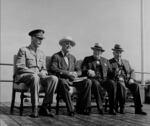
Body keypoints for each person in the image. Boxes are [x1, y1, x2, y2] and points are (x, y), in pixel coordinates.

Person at [15, 29, 58, 118]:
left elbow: (44, 69)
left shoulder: (42, 53)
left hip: (38, 76)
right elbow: (20, 66)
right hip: (25, 76)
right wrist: (37, 73)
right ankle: (35, 108)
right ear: (32, 38)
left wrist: (43, 72)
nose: (40, 41)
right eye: (38, 38)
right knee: (35, 77)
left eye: (41, 39)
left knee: (54, 78)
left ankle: (44, 107)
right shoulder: (23, 50)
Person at [50, 36, 91, 116]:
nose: (69, 45)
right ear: (61, 45)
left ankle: (82, 108)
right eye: (66, 43)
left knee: (88, 82)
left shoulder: (72, 57)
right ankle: (71, 109)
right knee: (63, 82)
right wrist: (68, 73)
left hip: (73, 80)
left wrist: (76, 73)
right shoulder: (56, 56)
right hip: (62, 81)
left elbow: (79, 70)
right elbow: (53, 68)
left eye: (70, 44)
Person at [109, 44, 147, 115]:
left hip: (127, 80)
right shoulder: (109, 62)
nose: (119, 54)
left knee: (136, 86)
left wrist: (132, 78)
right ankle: (122, 107)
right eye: (117, 52)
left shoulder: (126, 61)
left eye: (120, 52)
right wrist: (115, 73)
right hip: (117, 82)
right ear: (113, 53)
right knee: (121, 85)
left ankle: (138, 109)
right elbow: (109, 74)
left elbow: (132, 70)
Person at [81, 43, 117, 115]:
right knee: (96, 83)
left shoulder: (105, 60)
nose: (97, 52)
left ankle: (112, 108)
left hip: (104, 80)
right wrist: (88, 71)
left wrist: (115, 72)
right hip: (93, 79)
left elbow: (110, 73)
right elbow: (82, 70)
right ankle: (100, 107)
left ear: (101, 52)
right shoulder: (87, 59)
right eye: (95, 50)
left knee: (112, 84)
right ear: (93, 51)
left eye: (99, 51)